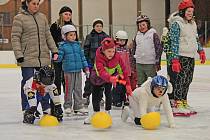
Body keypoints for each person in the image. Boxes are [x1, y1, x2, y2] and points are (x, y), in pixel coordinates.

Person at [11, 0, 58, 117]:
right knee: (29, 84)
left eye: (37, 4)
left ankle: (46, 107)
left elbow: (48, 36)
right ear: (27, 3)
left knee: (45, 83)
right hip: (27, 57)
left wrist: (54, 50)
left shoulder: (42, 17)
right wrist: (19, 55)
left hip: (43, 57)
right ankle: (27, 109)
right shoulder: (19, 18)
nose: (36, 6)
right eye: (33, 3)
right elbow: (15, 37)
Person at [166, 0, 206, 116]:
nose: (190, 13)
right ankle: (177, 104)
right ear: (183, 11)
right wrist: (174, 59)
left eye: (192, 11)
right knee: (180, 81)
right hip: (181, 57)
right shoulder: (176, 24)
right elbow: (174, 43)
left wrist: (201, 51)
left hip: (190, 56)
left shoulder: (192, 24)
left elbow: (196, 38)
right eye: (188, 11)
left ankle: (183, 102)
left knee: (188, 80)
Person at [84, 37, 132, 124]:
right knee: (96, 95)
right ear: (103, 50)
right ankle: (96, 113)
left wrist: (128, 85)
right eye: (109, 51)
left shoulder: (117, 57)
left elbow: (124, 71)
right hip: (97, 77)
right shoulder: (99, 57)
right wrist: (110, 78)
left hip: (110, 77)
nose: (111, 54)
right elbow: (101, 71)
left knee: (108, 93)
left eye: (113, 51)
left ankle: (108, 111)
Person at [55, 25, 89, 115]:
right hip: (68, 72)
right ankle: (67, 106)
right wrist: (56, 57)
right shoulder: (62, 46)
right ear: (64, 36)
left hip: (78, 70)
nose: (73, 37)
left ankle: (78, 106)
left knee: (78, 89)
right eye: (70, 35)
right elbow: (59, 59)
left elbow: (83, 58)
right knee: (68, 89)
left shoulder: (78, 45)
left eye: (74, 35)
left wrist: (86, 68)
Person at [82, 18, 109, 106]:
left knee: (100, 80)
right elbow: (86, 49)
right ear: (94, 27)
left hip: (102, 64)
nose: (99, 28)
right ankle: (86, 96)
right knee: (89, 80)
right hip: (91, 62)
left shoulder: (106, 37)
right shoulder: (89, 36)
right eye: (97, 26)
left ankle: (99, 97)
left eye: (100, 26)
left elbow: (109, 50)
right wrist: (86, 62)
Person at [131, 15, 163, 87]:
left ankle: (151, 97)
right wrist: (133, 62)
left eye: (143, 25)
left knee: (151, 83)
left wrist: (157, 62)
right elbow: (134, 49)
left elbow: (158, 48)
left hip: (150, 63)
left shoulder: (153, 34)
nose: (142, 27)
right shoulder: (137, 36)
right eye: (139, 25)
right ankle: (141, 97)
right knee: (140, 83)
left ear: (148, 24)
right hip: (139, 63)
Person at [50, 6, 73, 96]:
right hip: (57, 55)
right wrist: (55, 51)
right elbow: (51, 40)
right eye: (66, 14)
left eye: (70, 14)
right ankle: (56, 101)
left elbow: (75, 41)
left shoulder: (72, 27)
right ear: (61, 15)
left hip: (68, 57)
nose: (68, 16)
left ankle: (68, 100)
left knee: (67, 78)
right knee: (57, 77)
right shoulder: (55, 26)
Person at [112, 30, 133, 107]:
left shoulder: (127, 49)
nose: (121, 42)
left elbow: (130, 59)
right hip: (118, 72)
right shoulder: (115, 49)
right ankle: (116, 100)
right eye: (120, 40)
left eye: (123, 40)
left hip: (126, 71)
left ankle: (123, 99)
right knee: (118, 87)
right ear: (116, 40)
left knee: (124, 87)